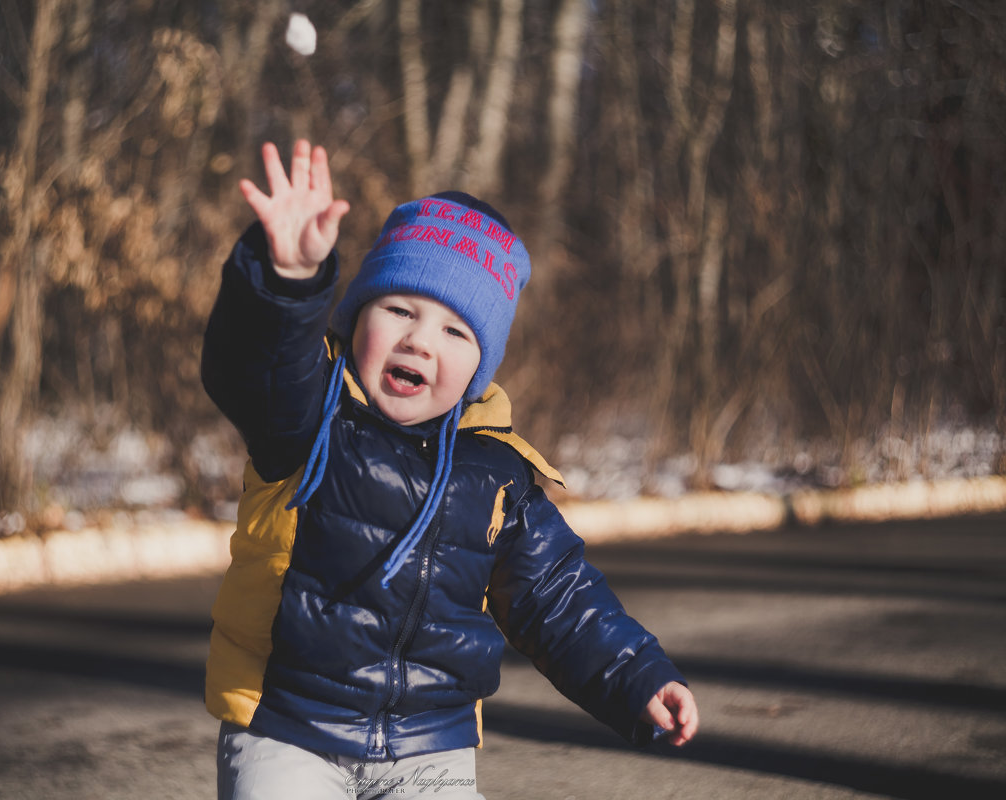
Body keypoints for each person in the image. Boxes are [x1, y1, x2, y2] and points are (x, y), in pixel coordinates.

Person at [201, 140, 698, 799]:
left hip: (428, 744)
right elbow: (250, 364)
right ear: (357, 318)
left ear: (479, 367)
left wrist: (639, 677)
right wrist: (286, 280)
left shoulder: (494, 474)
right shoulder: (305, 416)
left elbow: (556, 598)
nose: (419, 340)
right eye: (399, 310)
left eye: (455, 332)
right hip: (288, 725)